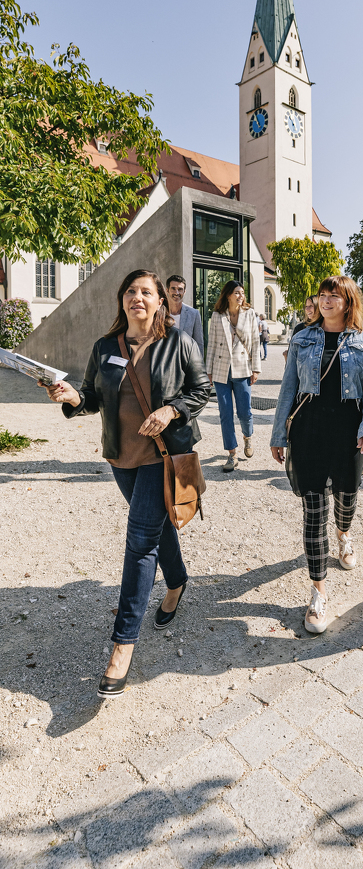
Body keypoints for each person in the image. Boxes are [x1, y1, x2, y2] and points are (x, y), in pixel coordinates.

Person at [45, 269, 210, 699]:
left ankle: (123, 645)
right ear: (122, 300)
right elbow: (92, 397)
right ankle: (176, 582)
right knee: (154, 527)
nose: (138, 297)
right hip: (123, 460)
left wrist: (172, 410)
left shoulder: (178, 343)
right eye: (131, 291)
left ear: (159, 302)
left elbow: (202, 389)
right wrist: (71, 398)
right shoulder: (105, 348)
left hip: (163, 456)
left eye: (147, 292)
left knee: (140, 540)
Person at [271, 276, 363, 634]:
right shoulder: (302, 337)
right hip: (309, 431)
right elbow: (289, 386)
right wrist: (278, 434)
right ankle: (318, 592)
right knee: (314, 509)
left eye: (335, 295)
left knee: (348, 496)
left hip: (349, 433)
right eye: (323, 294)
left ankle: (345, 535)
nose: (327, 300)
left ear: (349, 301)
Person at [205, 280, 260, 472]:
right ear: (228, 295)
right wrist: (208, 370)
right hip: (221, 370)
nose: (240, 296)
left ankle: (247, 436)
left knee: (244, 411)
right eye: (237, 292)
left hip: (243, 368)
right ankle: (231, 453)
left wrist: (256, 369)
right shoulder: (217, 315)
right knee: (225, 413)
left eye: (242, 293)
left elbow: (255, 341)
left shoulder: (250, 314)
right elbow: (211, 344)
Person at [166, 274, 204, 355]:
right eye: (173, 289)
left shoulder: (194, 314)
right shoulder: (159, 312)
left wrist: (199, 365)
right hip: (163, 361)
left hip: (185, 362)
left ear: (184, 291)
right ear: (167, 290)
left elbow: (199, 343)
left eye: (180, 289)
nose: (177, 292)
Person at [283, 296, 318, 364]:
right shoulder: (300, 328)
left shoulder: (326, 327)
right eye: (306, 306)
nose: (307, 309)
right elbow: (291, 356)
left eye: (311, 306)